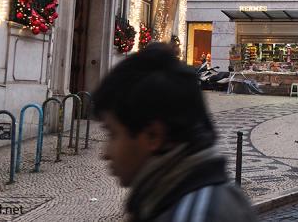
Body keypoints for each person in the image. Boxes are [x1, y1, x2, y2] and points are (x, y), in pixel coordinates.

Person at [93, 43, 256, 222]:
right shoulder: (168, 199)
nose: (105, 153)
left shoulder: (196, 215)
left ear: (153, 135)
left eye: (112, 134)